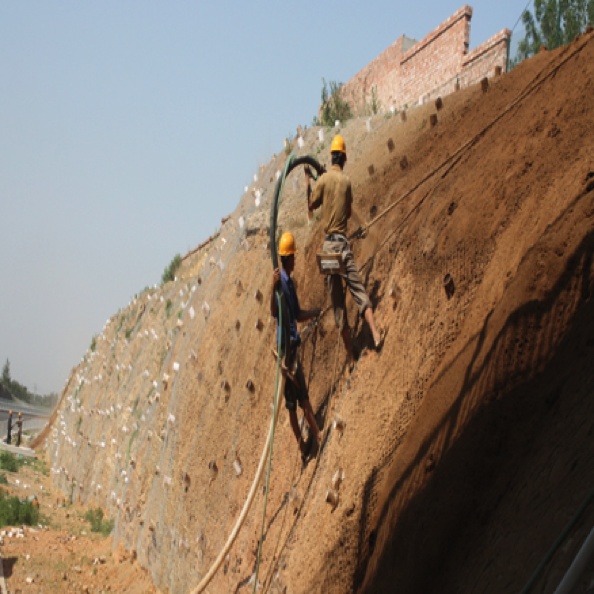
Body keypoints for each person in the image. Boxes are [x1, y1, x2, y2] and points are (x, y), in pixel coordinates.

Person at [309, 134, 383, 372]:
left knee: (338, 304)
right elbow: (349, 211)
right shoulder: (347, 182)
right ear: (344, 159)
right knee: (359, 291)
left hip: (329, 250)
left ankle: (351, 356)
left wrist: (312, 183)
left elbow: (311, 205)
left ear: (331, 156)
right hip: (342, 244)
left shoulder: (323, 180)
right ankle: (375, 332)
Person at [270, 232, 322, 462]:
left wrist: (313, 314)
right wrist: (272, 288)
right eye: (294, 256)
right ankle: (318, 436)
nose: (295, 260)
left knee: (292, 404)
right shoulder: (280, 283)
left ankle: (303, 449)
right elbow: (274, 312)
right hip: (286, 351)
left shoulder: (288, 282)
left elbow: (297, 314)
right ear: (288, 258)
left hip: (289, 346)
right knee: (300, 398)